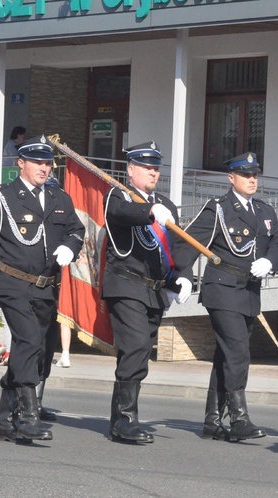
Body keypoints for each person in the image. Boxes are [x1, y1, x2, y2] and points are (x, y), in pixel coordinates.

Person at [173, 151, 278, 442]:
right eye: (246, 175)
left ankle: (212, 421)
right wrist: (182, 274)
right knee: (238, 352)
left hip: (248, 292)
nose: (252, 179)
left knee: (226, 354)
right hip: (222, 290)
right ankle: (239, 419)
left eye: (255, 175)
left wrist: (271, 262)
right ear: (231, 178)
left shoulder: (264, 211)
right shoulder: (218, 209)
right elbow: (187, 242)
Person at [0, 134, 84, 443]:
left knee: (38, 351)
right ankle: (26, 417)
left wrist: (70, 247)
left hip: (46, 288)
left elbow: (76, 230)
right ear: (20, 163)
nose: (44, 167)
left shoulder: (58, 199)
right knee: (27, 342)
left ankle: (3, 417)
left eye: (48, 162)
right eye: (37, 162)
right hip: (12, 283)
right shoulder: (2, 196)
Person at [102, 140, 192, 444]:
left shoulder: (165, 204)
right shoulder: (118, 195)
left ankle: (119, 418)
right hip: (125, 285)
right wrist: (150, 211)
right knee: (137, 345)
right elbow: (121, 213)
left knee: (137, 351)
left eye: (156, 168)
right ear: (131, 170)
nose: (153, 173)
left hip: (153, 291)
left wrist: (183, 277)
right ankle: (126, 419)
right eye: (146, 167)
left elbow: (177, 246)